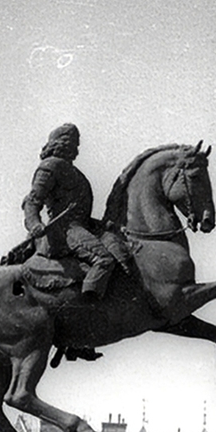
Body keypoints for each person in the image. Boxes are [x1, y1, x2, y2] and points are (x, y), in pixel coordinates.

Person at [22, 123, 130, 300]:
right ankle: (90, 301)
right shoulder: (49, 167)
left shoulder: (76, 173)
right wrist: (35, 224)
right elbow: (32, 201)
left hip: (82, 227)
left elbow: (81, 214)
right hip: (63, 231)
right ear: (56, 143)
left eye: (75, 143)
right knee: (104, 259)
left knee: (120, 248)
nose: (73, 146)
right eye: (68, 141)